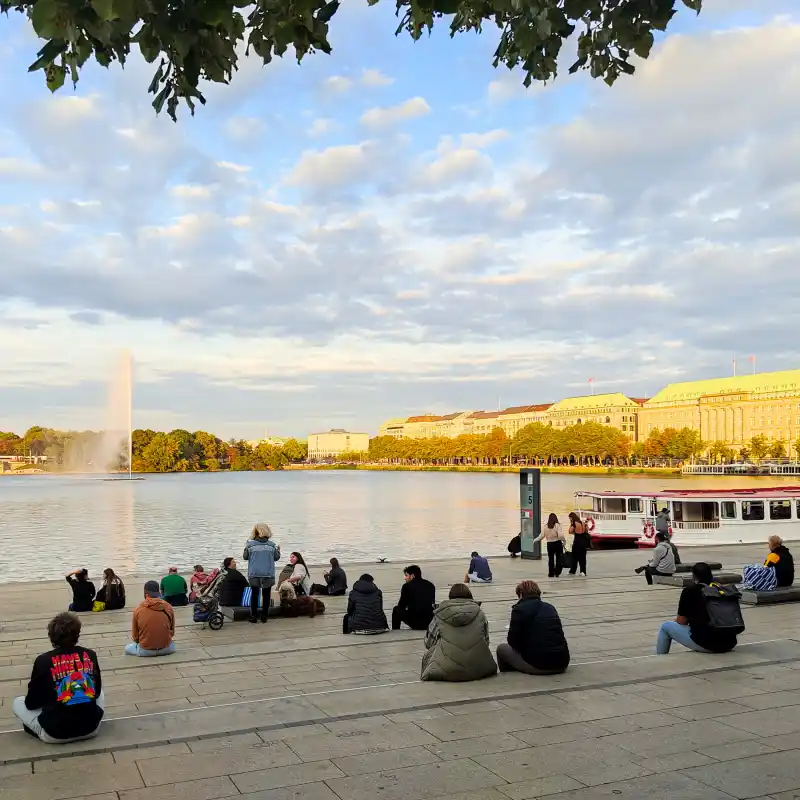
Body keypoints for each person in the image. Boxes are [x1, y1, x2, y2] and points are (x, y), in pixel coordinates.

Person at [13, 612, 104, 744]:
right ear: (77, 634)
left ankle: (40, 727)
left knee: (18, 702)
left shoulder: (43, 661)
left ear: (52, 636)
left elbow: (31, 703)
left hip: (55, 733)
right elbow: (96, 693)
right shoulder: (90, 654)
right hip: (91, 729)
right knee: (98, 692)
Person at [656, 562, 740, 655]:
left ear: (694, 576)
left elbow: (681, 621)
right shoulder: (722, 590)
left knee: (666, 626)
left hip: (707, 644)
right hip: (729, 643)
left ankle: (660, 657)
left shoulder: (690, 591)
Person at [421, 583, 497, 682]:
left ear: (450, 598)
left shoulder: (440, 615)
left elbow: (428, 643)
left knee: (428, 654)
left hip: (448, 670)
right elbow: (486, 641)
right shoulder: (480, 613)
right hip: (479, 669)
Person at [496, 580, 570, 675]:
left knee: (502, 649)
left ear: (521, 594)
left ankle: (509, 676)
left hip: (539, 665)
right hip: (562, 663)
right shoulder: (550, 607)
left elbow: (512, 641)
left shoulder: (519, 610)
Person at [125, 581, 176, 657]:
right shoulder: (168, 607)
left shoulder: (138, 609)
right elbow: (172, 632)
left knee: (127, 648)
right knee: (171, 643)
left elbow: (135, 637)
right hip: (167, 649)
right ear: (158, 592)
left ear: (145, 592)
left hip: (145, 651)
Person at [243, 522, 281, 623]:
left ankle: (254, 616)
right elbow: (276, 558)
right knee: (266, 595)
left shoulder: (250, 545)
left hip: (254, 573)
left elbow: (245, 557)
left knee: (254, 595)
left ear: (255, 531)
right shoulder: (272, 545)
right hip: (268, 573)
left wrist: (246, 547)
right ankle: (264, 616)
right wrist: (279, 550)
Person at [392, 565, 436, 630]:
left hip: (415, 622)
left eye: (406, 575)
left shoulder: (406, 586)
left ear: (412, 576)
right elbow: (432, 603)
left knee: (396, 610)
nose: (405, 578)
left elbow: (401, 605)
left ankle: (395, 631)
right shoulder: (430, 585)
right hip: (428, 621)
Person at [535, 513, 566, 578]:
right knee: (558, 558)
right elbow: (560, 535)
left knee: (551, 559)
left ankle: (551, 573)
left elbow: (541, 536)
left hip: (549, 544)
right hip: (557, 543)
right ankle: (557, 572)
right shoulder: (557, 525)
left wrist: (535, 540)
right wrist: (564, 541)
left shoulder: (546, 526)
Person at [567, 512, 589, 577]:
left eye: (570, 518)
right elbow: (586, 531)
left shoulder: (574, 523)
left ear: (572, 518)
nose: (570, 520)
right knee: (583, 557)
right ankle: (583, 571)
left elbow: (570, 531)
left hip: (577, 542)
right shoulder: (583, 523)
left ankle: (572, 571)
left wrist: (571, 525)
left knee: (574, 557)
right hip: (583, 541)